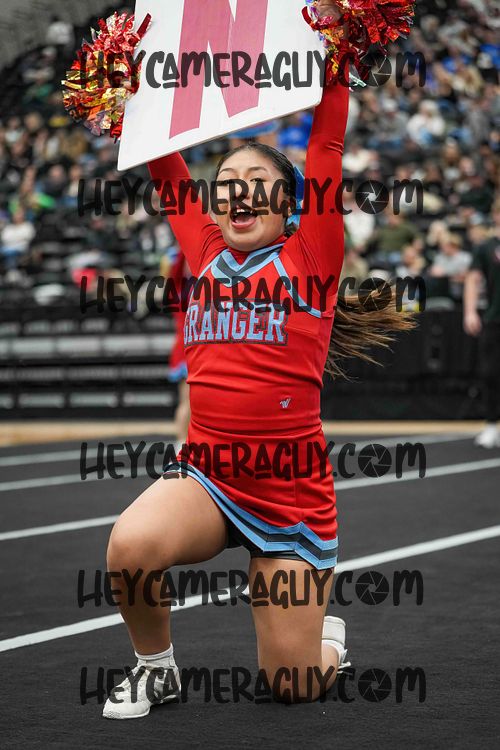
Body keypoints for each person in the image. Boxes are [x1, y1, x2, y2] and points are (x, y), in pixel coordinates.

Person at [103, 2, 414, 718]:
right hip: (209, 478)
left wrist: (340, 54)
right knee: (130, 546)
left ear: (289, 202)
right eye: (226, 184)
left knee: (292, 686)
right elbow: (164, 160)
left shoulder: (312, 257)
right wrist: (128, 99)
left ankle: (325, 640)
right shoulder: (204, 249)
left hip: (289, 493)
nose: (237, 192)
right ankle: (156, 668)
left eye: (256, 181)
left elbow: (326, 144)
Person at [464, 198, 500, 448]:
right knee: (490, 374)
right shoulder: (486, 247)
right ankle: (491, 424)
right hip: (494, 318)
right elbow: (473, 279)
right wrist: (470, 311)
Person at [160, 245, 191, 448]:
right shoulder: (178, 290)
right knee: (188, 401)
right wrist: (184, 244)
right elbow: (180, 262)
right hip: (186, 351)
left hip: (193, 349)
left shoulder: (185, 288)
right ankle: (181, 443)